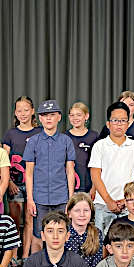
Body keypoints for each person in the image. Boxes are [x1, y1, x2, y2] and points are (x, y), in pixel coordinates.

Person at [24, 99, 76, 254]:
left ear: (59, 117)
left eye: (52, 115)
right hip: (39, 198)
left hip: (61, 197)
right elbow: (29, 173)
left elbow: (70, 171)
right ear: (40, 118)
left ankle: (61, 266)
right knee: (38, 235)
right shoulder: (33, 141)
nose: (48, 118)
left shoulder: (66, 141)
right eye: (45, 115)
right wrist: (30, 199)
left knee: (62, 234)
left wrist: (70, 199)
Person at [89, 102, 134, 236]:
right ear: (108, 124)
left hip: (129, 205)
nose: (119, 124)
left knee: (127, 241)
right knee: (101, 242)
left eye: (123, 121)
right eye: (115, 120)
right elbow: (95, 175)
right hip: (103, 204)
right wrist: (109, 201)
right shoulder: (99, 146)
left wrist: (127, 200)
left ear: (128, 124)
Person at [2, 96, 41, 263]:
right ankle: (14, 255)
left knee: (30, 220)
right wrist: (9, 182)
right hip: (15, 184)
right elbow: (4, 160)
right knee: (15, 221)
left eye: (26, 110)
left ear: (32, 111)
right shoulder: (11, 134)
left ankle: (26, 255)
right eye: (19, 110)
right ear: (15, 113)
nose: (23, 114)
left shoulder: (39, 132)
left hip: (34, 184)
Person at [66, 102, 100, 195]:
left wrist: (94, 187)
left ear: (86, 116)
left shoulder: (94, 136)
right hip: (68, 188)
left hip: (89, 187)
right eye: (72, 115)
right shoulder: (64, 137)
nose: (75, 118)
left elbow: (99, 165)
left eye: (79, 115)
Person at [65, 193, 103, 267]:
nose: (82, 214)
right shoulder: (63, 233)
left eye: (86, 210)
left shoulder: (97, 233)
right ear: (69, 213)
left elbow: (97, 265)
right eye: (77, 211)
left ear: (91, 213)